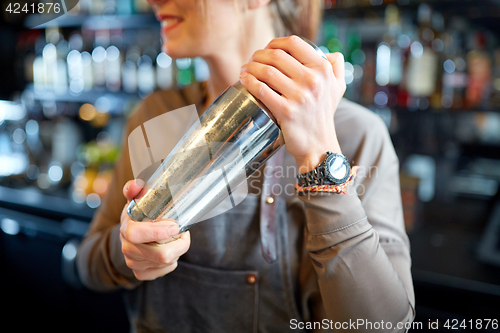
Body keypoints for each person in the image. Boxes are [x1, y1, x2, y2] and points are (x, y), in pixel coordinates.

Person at [76, 0, 416, 332]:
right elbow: (87, 265)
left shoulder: (355, 134)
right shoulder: (156, 113)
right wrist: (130, 252)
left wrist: (319, 156)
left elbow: (384, 325)